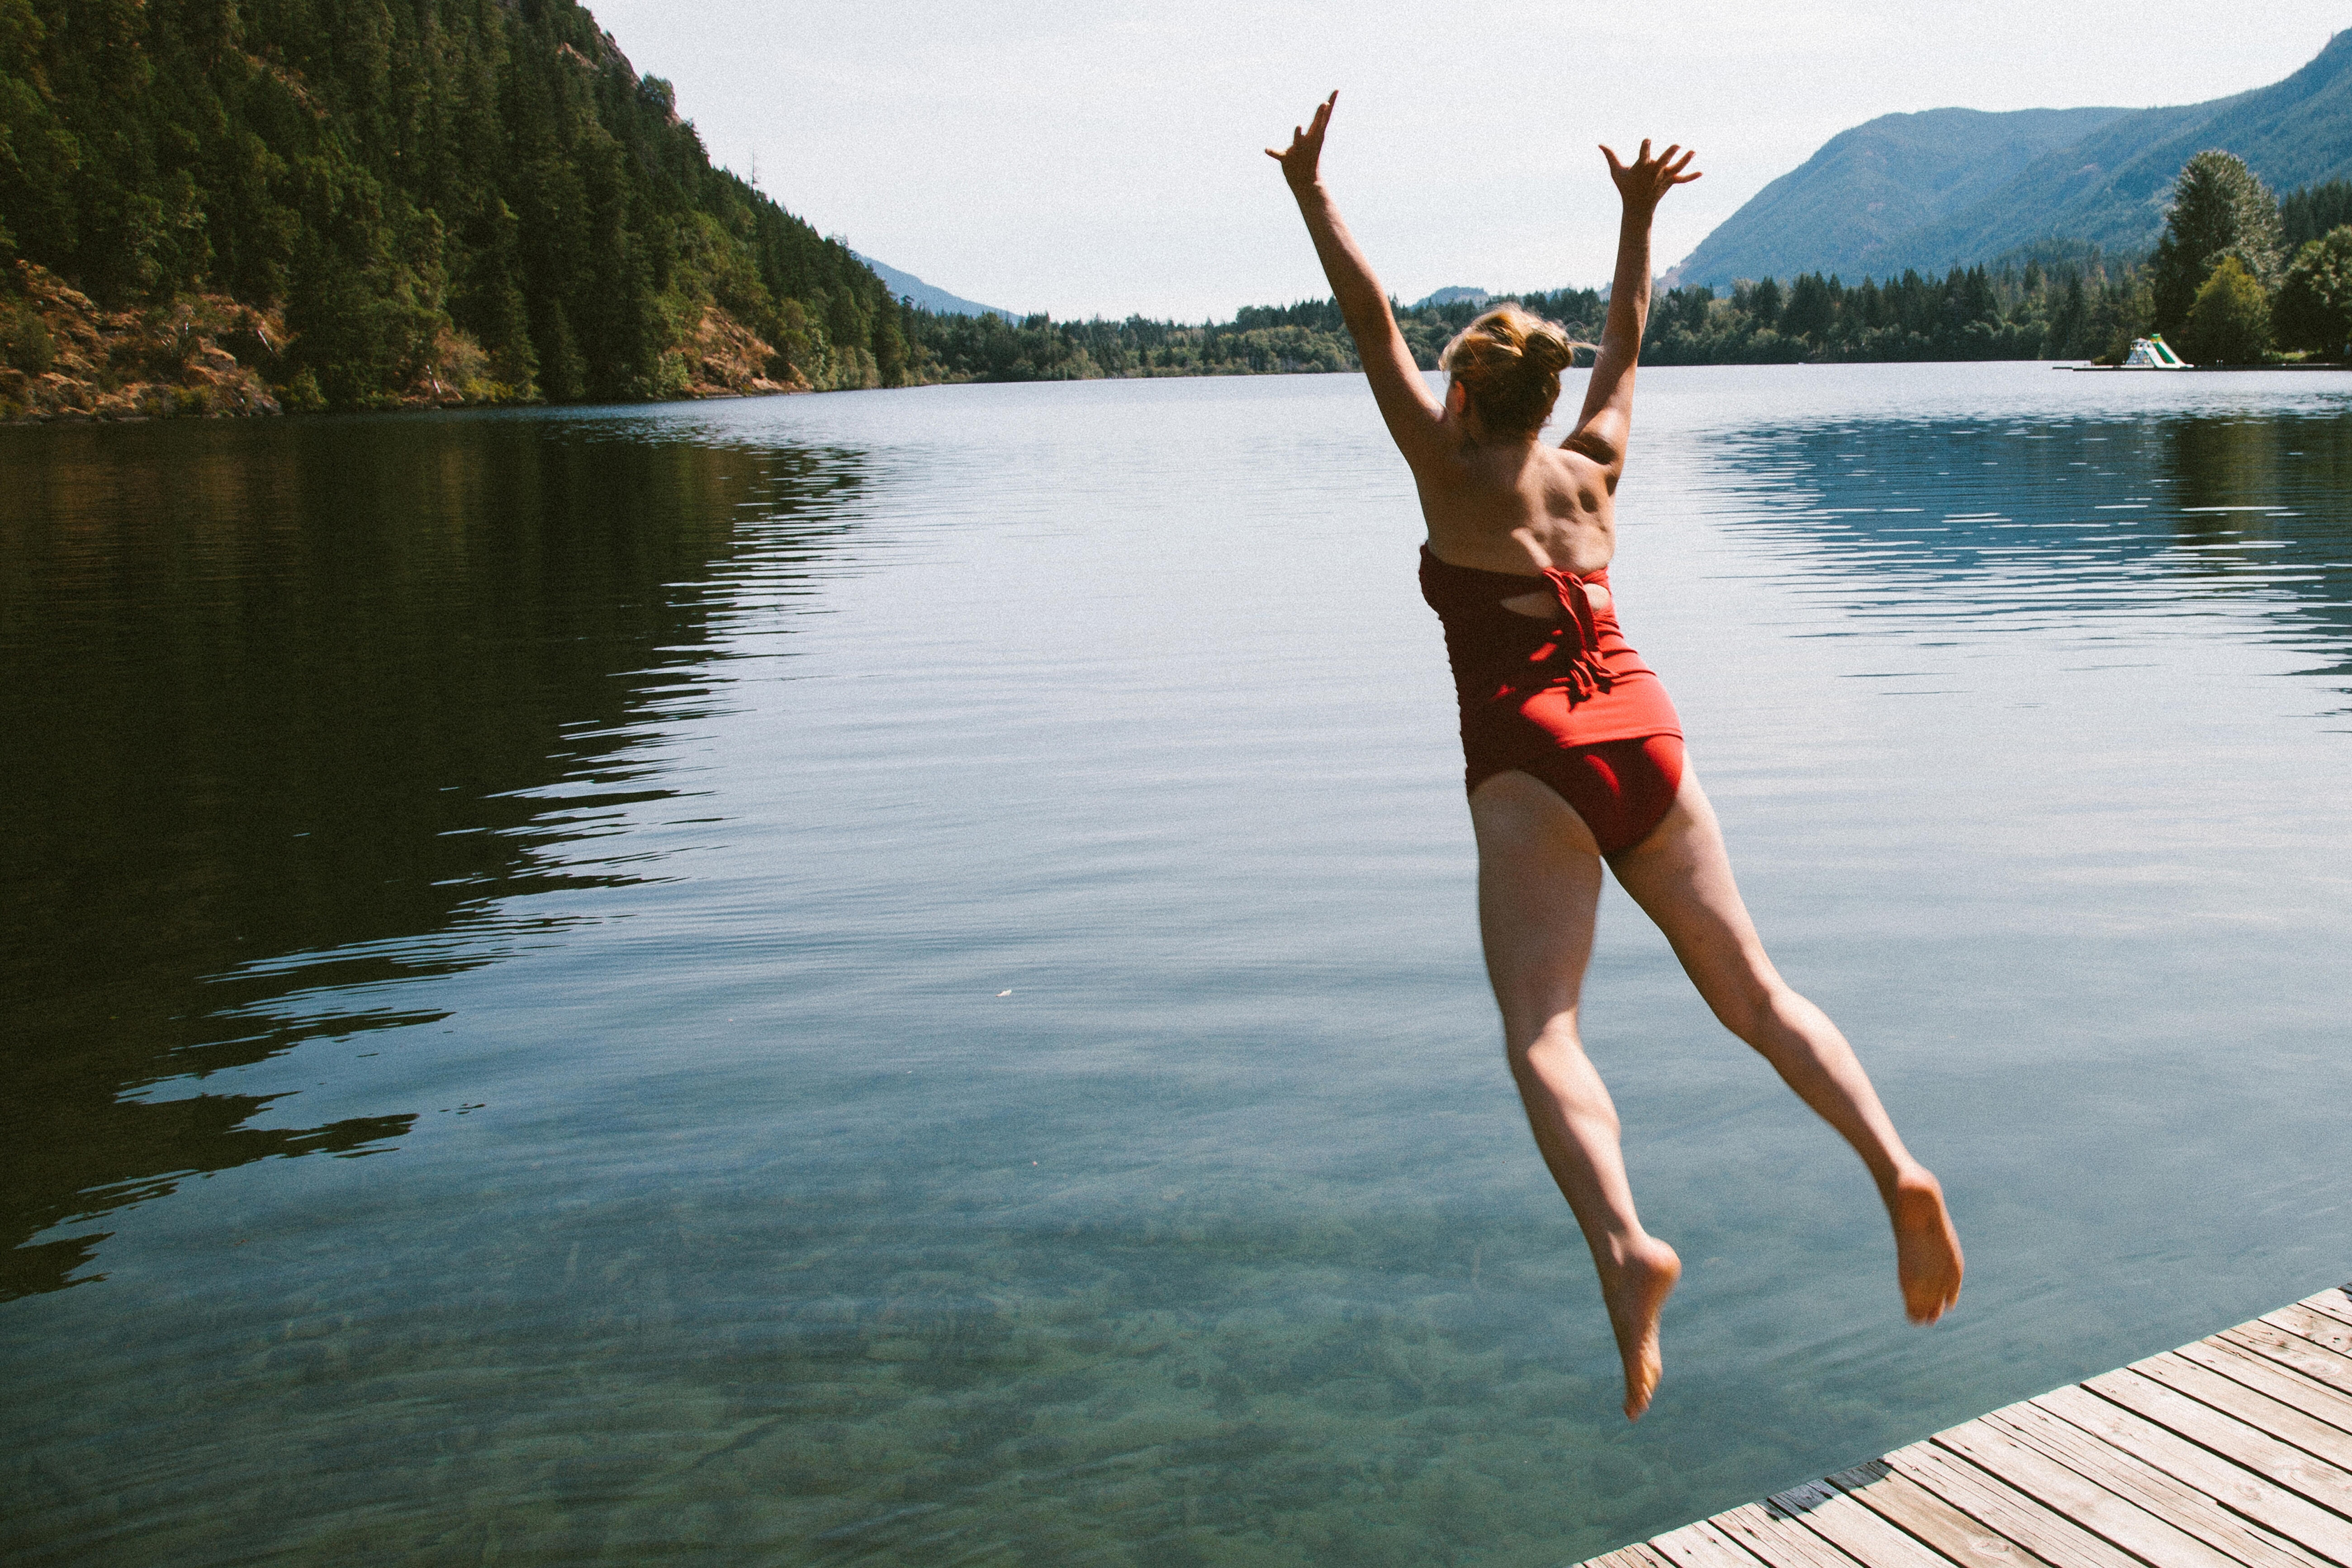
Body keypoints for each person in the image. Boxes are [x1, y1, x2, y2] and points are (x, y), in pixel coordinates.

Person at [1267, 94, 1964, 1421]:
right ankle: (1895, 1169)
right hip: (1644, 725)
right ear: (1544, 398)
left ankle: (1626, 1245)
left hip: (1533, 754)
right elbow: (1630, 342)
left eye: (1450, 371)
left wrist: (1314, 193)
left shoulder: (1446, 462)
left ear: (1465, 390)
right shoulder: (1592, 467)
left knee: (1545, 1031)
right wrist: (1641, 216)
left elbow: (1366, 320)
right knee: (1757, 992)